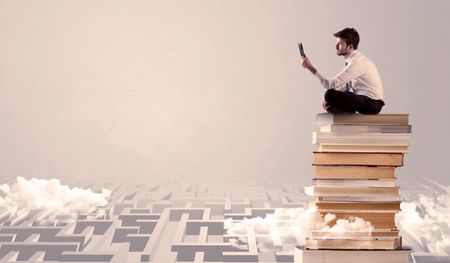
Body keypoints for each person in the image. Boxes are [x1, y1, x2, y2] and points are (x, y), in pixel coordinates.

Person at [301, 28, 385, 114]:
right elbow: (345, 86)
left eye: (340, 44)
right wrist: (325, 99)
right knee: (331, 96)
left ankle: (346, 109)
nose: (336, 46)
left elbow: (332, 84)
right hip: (365, 100)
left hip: (372, 104)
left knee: (329, 94)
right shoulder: (352, 60)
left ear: (350, 47)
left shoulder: (357, 62)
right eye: (336, 43)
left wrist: (310, 67)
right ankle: (346, 109)